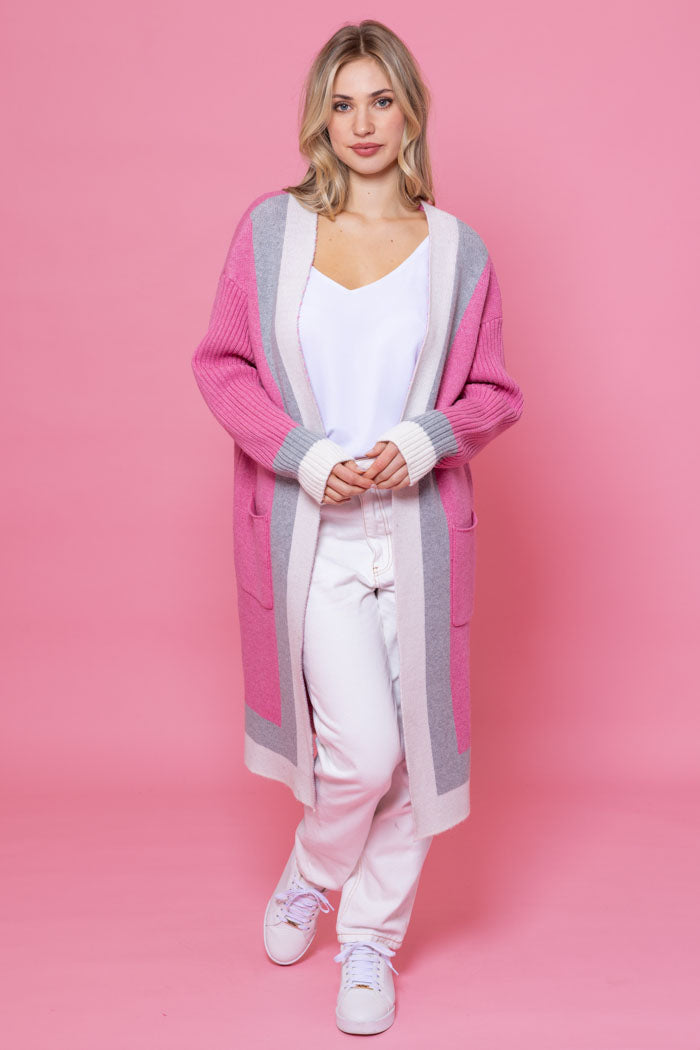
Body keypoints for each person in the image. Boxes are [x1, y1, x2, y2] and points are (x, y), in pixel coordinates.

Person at [191, 20, 524, 1038]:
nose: (363, 124)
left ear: (411, 112)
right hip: (313, 539)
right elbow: (223, 368)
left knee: (416, 752)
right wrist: (304, 453)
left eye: (381, 101)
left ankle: (369, 938)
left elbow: (492, 392)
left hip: (420, 536)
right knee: (365, 754)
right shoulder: (270, 232)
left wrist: (425, 441)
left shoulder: (457, 252)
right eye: (343, 104)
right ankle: (313, 869)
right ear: (320, 118)